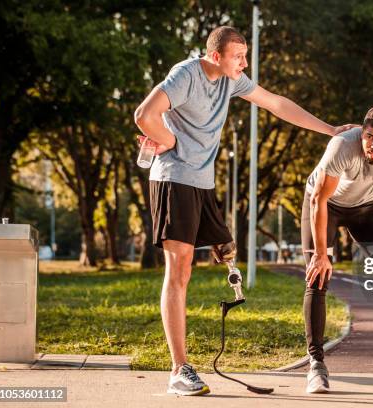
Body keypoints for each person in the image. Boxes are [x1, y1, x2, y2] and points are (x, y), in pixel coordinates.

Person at [134, 26, 355, 396]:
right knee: (180, 269)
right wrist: (171, 142)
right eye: (238, 56)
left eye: (245, 55)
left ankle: (184, 365)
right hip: (173, 179)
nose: (245, 62)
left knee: (222, 252)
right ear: (216, 56)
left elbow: (276, 103)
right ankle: (179, 369)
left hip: (202, 183)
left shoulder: (231, 81)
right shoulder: (186, 74)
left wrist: (330, 130)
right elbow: (144, 114)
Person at [301, 106, 373, 394]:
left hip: (364, 207)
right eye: (369, 136)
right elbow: (319, 198)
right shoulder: (342, 144)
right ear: (362, 132)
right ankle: (316, 365)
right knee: (318, 276)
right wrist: (320, 254)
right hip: (323, 205)